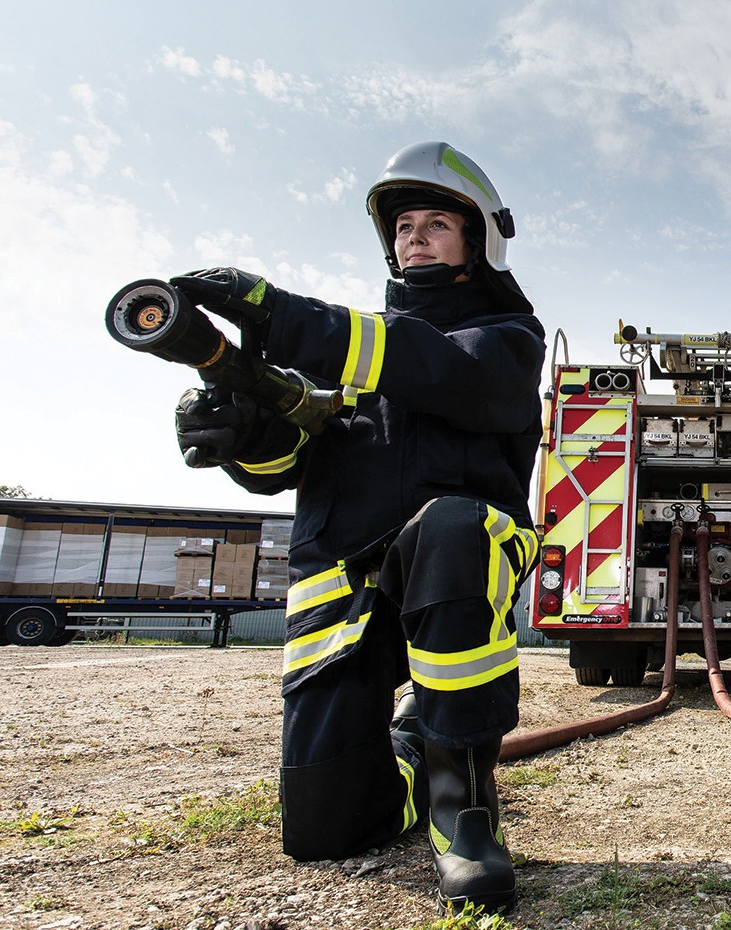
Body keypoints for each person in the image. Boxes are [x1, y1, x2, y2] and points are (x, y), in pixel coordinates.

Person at [168, 141, 546, 916]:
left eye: (436, 223)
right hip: (342, 580)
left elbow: (437, 370)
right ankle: (416, 749)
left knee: (453, 528)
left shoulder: (506, 337)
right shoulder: (346, 355)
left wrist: (278, 314)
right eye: (404, 226)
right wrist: (240, 435)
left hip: (457, 571)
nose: (415, 237)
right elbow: (289, 467)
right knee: (327, 828)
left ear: (478, 240)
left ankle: (465, 814)